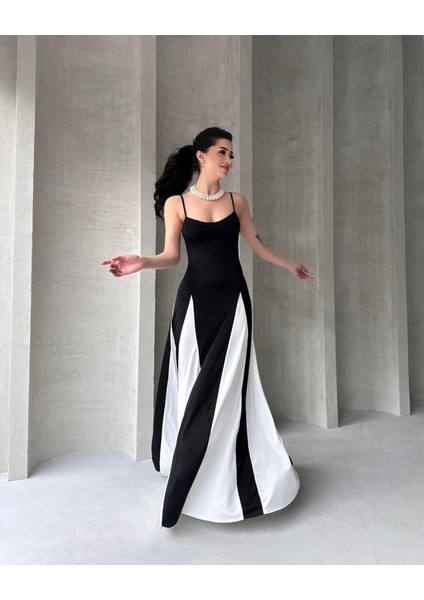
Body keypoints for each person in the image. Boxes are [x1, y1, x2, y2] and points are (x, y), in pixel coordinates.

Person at [101, 126, 313, 529]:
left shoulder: (237, 201)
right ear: (201, 156)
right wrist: (141, 262)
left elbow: (257, 245)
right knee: (194, 388)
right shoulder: (177, 203)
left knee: (230, 389)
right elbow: (171, 256)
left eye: (231, 154)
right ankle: (192, 470)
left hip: (234, 305)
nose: (229, 160)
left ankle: (228, 474)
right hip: (194, 307)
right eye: (222, 152)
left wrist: (290, 264)